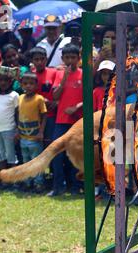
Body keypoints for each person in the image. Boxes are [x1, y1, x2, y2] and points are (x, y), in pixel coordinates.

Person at [49, 44, 83, 196]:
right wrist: (64, 79)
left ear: (78, 59)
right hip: (61, 121)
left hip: (78, 122)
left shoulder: (84, 74)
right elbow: (55, 96)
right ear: (62, 59)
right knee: (57, 154)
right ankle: (58, 187)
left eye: (73, 57)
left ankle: (75, 187)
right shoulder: (58, 74)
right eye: (67, 57)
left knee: (75, 155)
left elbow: (89, 96)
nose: (70, 60)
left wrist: (76, 107)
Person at [17, 73, 47, 192]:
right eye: (25, 84)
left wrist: (41, 132)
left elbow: (44, 116)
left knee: (36, 160)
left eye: (31, 84)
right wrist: (17, 131)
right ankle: (27, 182)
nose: (28, 86)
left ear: (36, 85)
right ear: (21, 85)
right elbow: (17, 115)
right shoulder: (20, 98)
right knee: (26, 160)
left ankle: (39, 183)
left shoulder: (39, 99)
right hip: (23, 136)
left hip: (35, 137)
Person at [30, 47, 57, 150]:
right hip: (35, 116)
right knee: (35, 146)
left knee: (50, 144)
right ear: (32, 61)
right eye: (36, 59)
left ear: (46, 59)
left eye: (42, 59)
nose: (40, 62)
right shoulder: (30, 74)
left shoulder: (54, 72)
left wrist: (57, 101)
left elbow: (60, 90)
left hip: (51, 115)